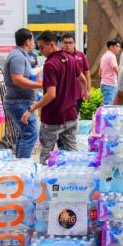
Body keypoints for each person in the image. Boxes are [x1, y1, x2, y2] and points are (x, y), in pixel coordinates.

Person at [21, 31, 87, 164]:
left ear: (51, 45)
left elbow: (51, 94)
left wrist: (31, 108)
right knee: (72, 153)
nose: (40, 51)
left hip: (53, 118)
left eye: (42, 47)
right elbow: (83, 79)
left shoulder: (50, 65)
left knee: (46, 153)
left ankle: (45, 183)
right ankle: (73, 180)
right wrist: (83, 92)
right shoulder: (71, 59)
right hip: (71, 115)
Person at [2, 29, 43, 158]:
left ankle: (19, 165)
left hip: (21, 101)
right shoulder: (17, 57)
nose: (34, 43)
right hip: (19, 103)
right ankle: (22, 166)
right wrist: (40, 85)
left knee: (24, 135)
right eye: (32, 40)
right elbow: (17, 79)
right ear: (27, 41)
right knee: (31, 134)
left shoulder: (21, 55)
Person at [62, 33, 91, 106]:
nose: (68, 45)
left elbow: (87, 73)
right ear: (62, 44)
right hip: (63, 94)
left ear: (74, 43)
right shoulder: (59, 56)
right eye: (65, 42)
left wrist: (88, 90)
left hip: (78, 93)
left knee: (75, 115)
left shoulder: (81, 55)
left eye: (70, 42)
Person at [99, 39, 121, 105]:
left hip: (105, 84)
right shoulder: (111, 56)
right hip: (110, 85)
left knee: (108, 106)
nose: (119, 48)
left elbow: (100, 73)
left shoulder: (104, 56)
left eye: (119, 47)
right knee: (109, 108)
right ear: (111, 47)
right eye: (117, 46)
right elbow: (117, 71)